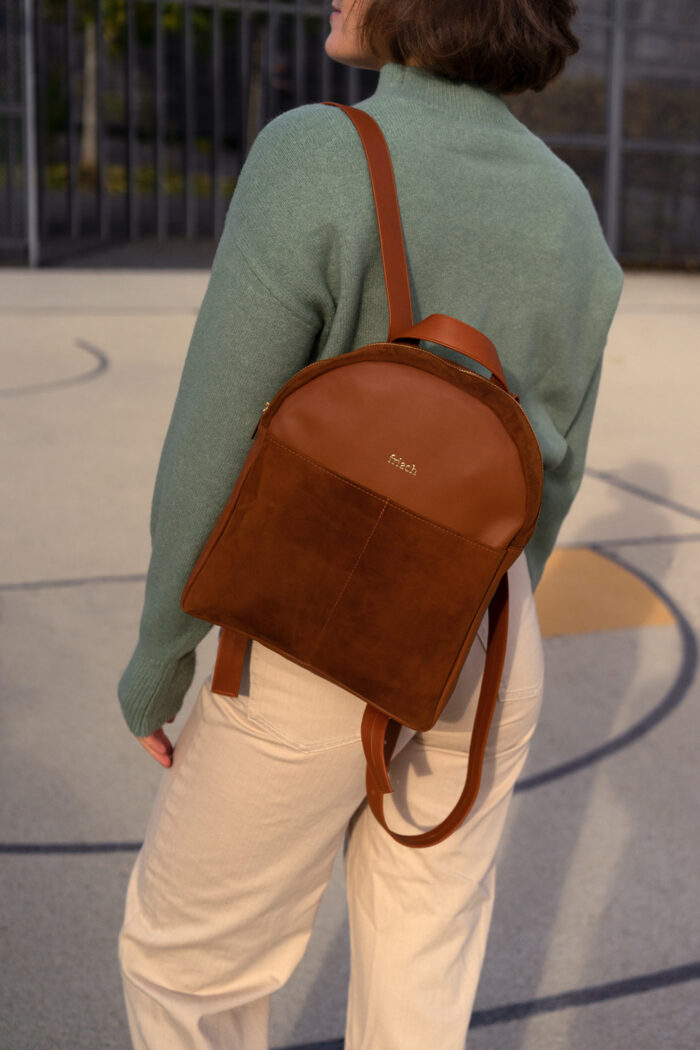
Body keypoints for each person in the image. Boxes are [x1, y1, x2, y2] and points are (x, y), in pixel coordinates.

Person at [117, 2, 623, 1048]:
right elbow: (550, 479)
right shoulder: (573, 211)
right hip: (481, 632)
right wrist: (458, 621)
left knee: (184, 967)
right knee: (418, 982)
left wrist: (160, 654)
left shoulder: (318, 152)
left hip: (312, 627)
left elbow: (218, 432)